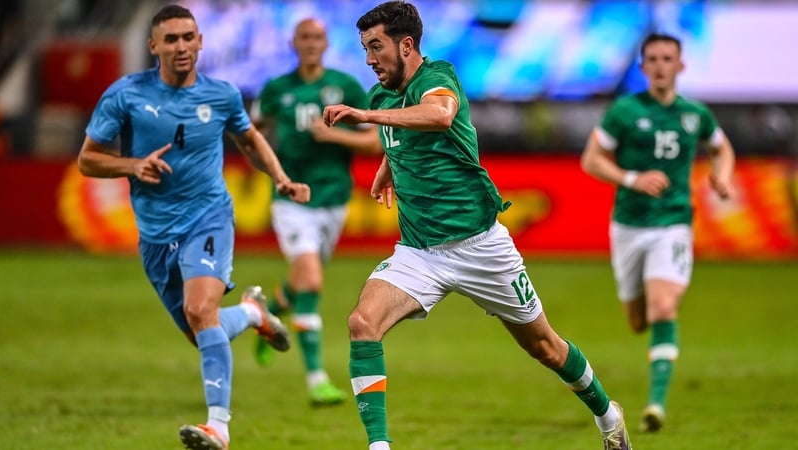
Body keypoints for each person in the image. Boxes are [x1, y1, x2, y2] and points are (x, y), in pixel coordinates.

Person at [322, 2, 633, 449]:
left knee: (544, 347)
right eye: (365, 48)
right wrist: (388, 167)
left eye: (376, 47)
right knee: (362, 322)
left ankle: (608, 417)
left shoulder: (438, 78)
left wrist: (366, 118)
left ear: (406, 45)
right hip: (420, 251)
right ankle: (379, 446)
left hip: (481, 248)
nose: (369, 59)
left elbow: (439, 116)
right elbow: (401, 135)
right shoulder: (382, 95)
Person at [76, 5, 310, 450]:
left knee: (201, 312)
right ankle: (253, 313)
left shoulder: (222, 95)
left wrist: (280, 177)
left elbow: (250, 139)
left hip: (208, 217)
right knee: (201, 330)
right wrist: (132, 165)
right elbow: (88, 159)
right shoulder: (126, 95)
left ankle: (218, 427)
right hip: (155, 234)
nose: (181, 47)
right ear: (153, 46)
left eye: (188, 37)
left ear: (201, 41)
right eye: (171, 39)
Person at [580, 32, 735, 433]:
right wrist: (632, 178)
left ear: (681, 65)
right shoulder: (625, 111)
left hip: (673, 223)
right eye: (653, 58)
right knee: (638, 320)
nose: (661, 65)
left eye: (668, 58)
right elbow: (591, 159)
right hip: (629, 226)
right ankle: (652, 325)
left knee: (664, 308)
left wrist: (721, 177)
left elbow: (721, 148)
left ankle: (655, 406)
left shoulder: (695, 114)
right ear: (643, 66)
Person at [249, 17, 382, 407]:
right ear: (293, 43)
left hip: (334, 198)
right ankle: (317, 380)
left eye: (317, 37)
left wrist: (333, 134)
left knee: (302, 281)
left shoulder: (346, 87)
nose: (311, 43)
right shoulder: (277, 89)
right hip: (293, 200)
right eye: (304, 37)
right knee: (310, 282)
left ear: (326, 44)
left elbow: (375, 142)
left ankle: (265, 317)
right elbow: (251, 133)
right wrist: (271, 171)